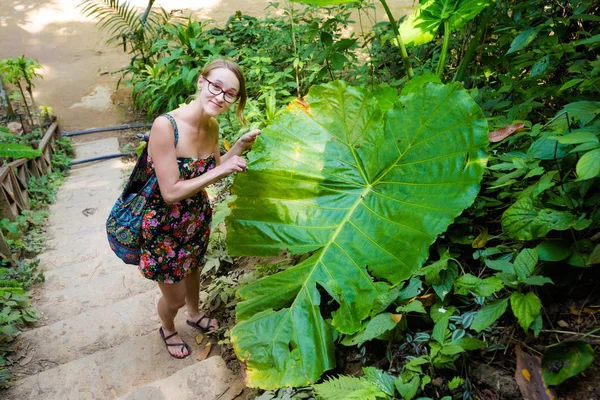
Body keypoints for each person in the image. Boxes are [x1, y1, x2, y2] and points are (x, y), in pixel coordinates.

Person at [140, 59, 260, 359]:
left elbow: (213, 167)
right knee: (175, 297)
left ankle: (194, 314)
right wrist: (222, 171)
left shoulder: (212, 125)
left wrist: (239, 148)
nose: (220, 96)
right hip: (163, 227)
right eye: (215, 86)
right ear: (200, 82)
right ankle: (168, 327)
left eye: (230, 93)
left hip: (195, 218)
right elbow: (170, 192)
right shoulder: (165, 126)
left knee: (194, 271)